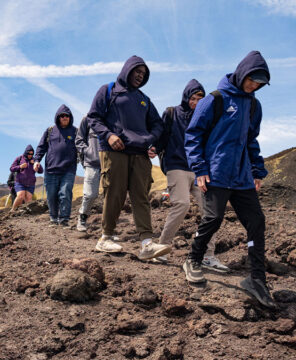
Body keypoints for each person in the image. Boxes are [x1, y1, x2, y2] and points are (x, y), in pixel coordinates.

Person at [183, 51, 276, 309]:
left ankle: (256, 278)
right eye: (251, 80)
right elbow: (193, 135)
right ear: (241, 73)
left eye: (259, 83)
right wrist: (200, 168)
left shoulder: (254, 105)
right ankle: (193, 259)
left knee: (256, 222)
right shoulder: (215, 99)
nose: (254, 86)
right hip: (216, 172)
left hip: (243, 176)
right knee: (213, 219)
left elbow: (251, 140)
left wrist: (257, 170)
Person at [87, 55, 171, 260]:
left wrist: (150, 141)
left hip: (140, 155)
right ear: (127, 70)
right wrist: (109, 135)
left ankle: (147, 244)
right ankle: (105, 237)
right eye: (137, 72)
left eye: (143, 74)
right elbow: (93, 117)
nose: (140, 77)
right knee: (114, 194)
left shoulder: (144, 99)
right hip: (114, 151)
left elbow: (158, 124)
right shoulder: (108, 90)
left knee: (141, 197)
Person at [154, 79, 229, 272]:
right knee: (181, 204)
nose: (196, 102)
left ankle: (208, 256)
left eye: (200, 99)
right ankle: (161, 249)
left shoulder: (205, 118)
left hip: (199, 170)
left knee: (209, 212)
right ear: (186, 97)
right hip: (176, 166)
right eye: (193, 98)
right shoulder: (173, 113)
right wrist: (154, 148)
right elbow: (162, 136)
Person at [34, 105, 77, 226]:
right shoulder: (50, 131)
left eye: (66, 115)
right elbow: (42, 147)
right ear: (57, 117)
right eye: (62, 115)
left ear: (70, 117)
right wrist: (37, 160)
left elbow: (82, 147)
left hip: (68, 169)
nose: (64, 117)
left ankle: (64, 219)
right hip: (51, 169)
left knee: (65, 193)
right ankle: (53, 217)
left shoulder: (75, 131)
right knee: (52, 195)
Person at [75, 115, 101, 231]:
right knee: (90, 194)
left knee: (112, 196)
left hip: (111, 163)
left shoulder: (113, 117)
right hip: (92, 163)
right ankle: (82, 217)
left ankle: (108, 227)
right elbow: (79, 140)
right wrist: (88, 151)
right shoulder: (87, 119)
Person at [9, 145, 42, 211]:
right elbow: (11, 168)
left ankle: (26, 214)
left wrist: (37, 166)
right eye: (29, 154)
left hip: (31, 184)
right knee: (21, 196)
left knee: (28, 199)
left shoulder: (35, 160)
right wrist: (20, 166)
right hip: (20, 182)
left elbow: (41, 171)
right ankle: (12, 211)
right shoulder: (19, 158)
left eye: (32, 154)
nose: (30, 155)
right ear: (26, 153)